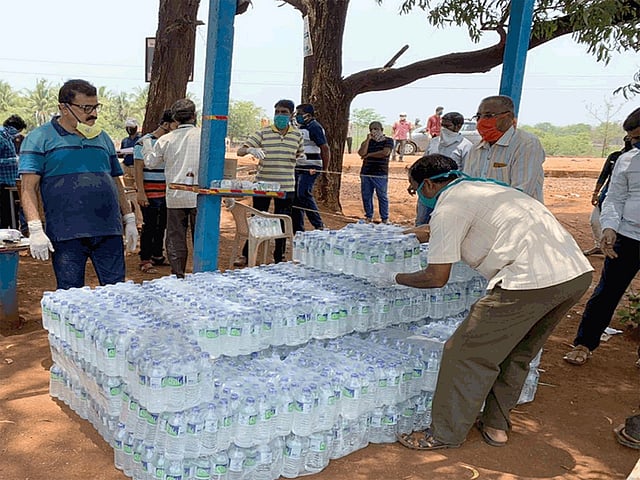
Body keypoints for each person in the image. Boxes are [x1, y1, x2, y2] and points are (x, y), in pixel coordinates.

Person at [392, 154, 592, 451]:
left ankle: (444, 433)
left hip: (528, 282)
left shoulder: (448, 207)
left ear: (429, 185)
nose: (418, 195)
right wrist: (416, 234)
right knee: (518, 351)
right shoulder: (485, 190)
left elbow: (436, 277)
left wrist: (393, 277)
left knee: (464, 352)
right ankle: (496, 425)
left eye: (414, 190)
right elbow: (466, 224)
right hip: (574, 275)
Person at [18, 79, 138, 290]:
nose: (94, 114)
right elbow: (28, 188)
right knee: (71, 294)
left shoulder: (102, 138)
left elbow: (115, 180)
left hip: (108, 230)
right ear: (64, 108)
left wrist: (128, 218)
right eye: (86, 108)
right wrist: (35, 228)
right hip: (66, 232)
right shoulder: (39, 138)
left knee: (117, 292)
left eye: (95, 107)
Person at [564, 107, 640, 366]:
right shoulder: (627, 161)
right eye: (632, 138)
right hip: (627, 237)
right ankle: (584, 343)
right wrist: (609, 227)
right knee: (606, 293)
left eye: (638, 137)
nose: (635, 142)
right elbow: (615, 198)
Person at [235, 99, 303, 265]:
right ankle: (246, 254)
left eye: (284, 112)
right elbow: (240, 151)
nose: (279, 115)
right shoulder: (263, 133)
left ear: (291, 115)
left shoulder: (297, 135)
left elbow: (299, 155)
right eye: (277, 112)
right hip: (263, 186)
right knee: (258, 218)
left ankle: (279, 257)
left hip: (286, 185)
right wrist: (251, 149)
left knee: (283, 220)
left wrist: (302, 159)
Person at [144, 99, 200, 279]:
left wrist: (147, 145)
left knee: (176, 237)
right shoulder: (203, 136)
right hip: (199, 196)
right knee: (200, 236)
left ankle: (178, 275)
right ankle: (203, 275)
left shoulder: (166, 139)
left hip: (175, 197)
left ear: (175, 118)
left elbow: (150, 163)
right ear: (194, 116)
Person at [464, 95, 545, 203]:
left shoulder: (526, 144)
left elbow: (521, 192)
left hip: (517, 211)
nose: (481, 121)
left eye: (488, 116)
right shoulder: (476, 149)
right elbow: (467, 186)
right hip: (481, 211)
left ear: (508, 117)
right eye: (478, 116)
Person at [133, 109, 177, 273]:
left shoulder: (170, 143)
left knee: (162, 225)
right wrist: (141, 192)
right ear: (166, 124)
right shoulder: (144, 142)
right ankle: (145, 259)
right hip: (149, 191)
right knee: (149, 225)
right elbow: (138, 168)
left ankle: (157, 254)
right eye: (175, 125)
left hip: (166, 191)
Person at [414, 111, 473, 225]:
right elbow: (423, 163)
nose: (444, 129)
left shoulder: (465, 146)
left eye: (448, 126)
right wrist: (415, 181)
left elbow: (466, 172)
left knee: (443, 224)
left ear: (458, 126)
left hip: (450, 195)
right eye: (443, 125)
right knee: (422, 222)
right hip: (427, 192)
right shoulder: (434, 142)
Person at [583, 137, 632, 256]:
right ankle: (599, 246)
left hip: (626, 198)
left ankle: (616, 250)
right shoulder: (615, 156)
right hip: (607, 194)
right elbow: (604, 175)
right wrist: (596, 193)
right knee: (595, 220)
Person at [291, 103, 330, 232]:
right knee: (296, 197)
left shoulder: (315, 127)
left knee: (303, 193)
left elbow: (325, 148)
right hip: (299, 165)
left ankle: (318, 225)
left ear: (308, 115)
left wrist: (325, 169)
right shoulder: (300, 128)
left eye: (299, 114)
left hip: (311, 166)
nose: (297, 116)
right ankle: (298, 229)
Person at [357, 121, 394, 224]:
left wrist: (369, 155)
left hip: (380, 173)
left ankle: (384, 218)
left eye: (376, 129)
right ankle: (368, 216)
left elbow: (385, 152)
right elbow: (361, 153)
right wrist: (367, 140)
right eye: (371, 129)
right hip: (366, 172)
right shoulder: (368, 142)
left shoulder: (388, 141)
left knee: (382, 196)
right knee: (366, 195)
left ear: (381, 130)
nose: (374, 131)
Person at [0, 114, 27, 228]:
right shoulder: (1, 137)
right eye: (18, 131)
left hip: (11, 183)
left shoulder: (8, 138)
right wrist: (14, 160)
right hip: (2, 184)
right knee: (4, 217)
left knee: (13, 217)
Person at [120, 117, 141, 188]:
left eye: (131, 128)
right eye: (127, 128)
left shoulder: (140, 139)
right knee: (128, 187)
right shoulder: (125, 141)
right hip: (127, 167)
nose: (129, 130)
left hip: (136, 166)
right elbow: (122, 152)